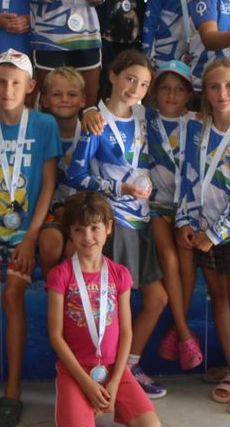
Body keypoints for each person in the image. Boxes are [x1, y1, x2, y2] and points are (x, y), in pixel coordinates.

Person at [0, 50, 62, 427]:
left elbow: (49, 184)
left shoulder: (44, 125)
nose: (7, 89)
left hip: (25, 227)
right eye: (0, 82)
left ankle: (13, 392)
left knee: (12, 296)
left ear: (30, 87)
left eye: (16, 83)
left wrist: (31, 236)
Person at [67, 50, 168, 398]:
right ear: (112, 76)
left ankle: (129, 364)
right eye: (129, 79)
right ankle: (104, 370)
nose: (135, 89)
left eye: (143, 84)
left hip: (143, 219)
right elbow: (76, 174)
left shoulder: (145, 116)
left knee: (157, 298)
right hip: (114, 221)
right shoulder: (95, 122)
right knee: (113, 304)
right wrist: (116, 188)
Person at [176, 58, 230, 414]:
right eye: (214, 87)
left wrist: (217, 233)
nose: (222, 93)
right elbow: (186, 179)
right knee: (219, 300)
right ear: (205, 93)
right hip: (200, 233)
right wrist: (184, 221)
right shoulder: (195, 132)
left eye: (229, 86)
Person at [47, 192, 162, 427]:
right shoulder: (60, 275)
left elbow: (127, 332)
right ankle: (81, 403)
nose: (87, 237)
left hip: (113, 370)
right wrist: (86, 383)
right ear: (70, 232)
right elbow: (55, 335)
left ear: (109, 228)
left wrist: (116, 380)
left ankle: (99, 401)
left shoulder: (120, 274)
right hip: (77, 372)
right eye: (79, 229)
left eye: (94, 228)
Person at [146, 61, 204, 373]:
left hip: (187, 207)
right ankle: (183, 331)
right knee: (168, 257)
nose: (172, 94)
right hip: (155, 207)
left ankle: (175, 330)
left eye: (179, 89)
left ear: (188, 94)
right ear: (155, 91)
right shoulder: (146, 119)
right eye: (165, 88)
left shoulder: (196, 123)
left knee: (185, 256)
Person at [37, 66, 89, 277]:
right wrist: (56, 208)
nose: (64, 99)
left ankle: (75, 298)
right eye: (56, 94)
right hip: (52, 209)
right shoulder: (38, 136)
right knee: (50, 246)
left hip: (83, 210)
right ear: (44, 100)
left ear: (84, 100)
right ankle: (52, 292)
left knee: (75, 250)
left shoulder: (90, 133)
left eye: (72, 94)